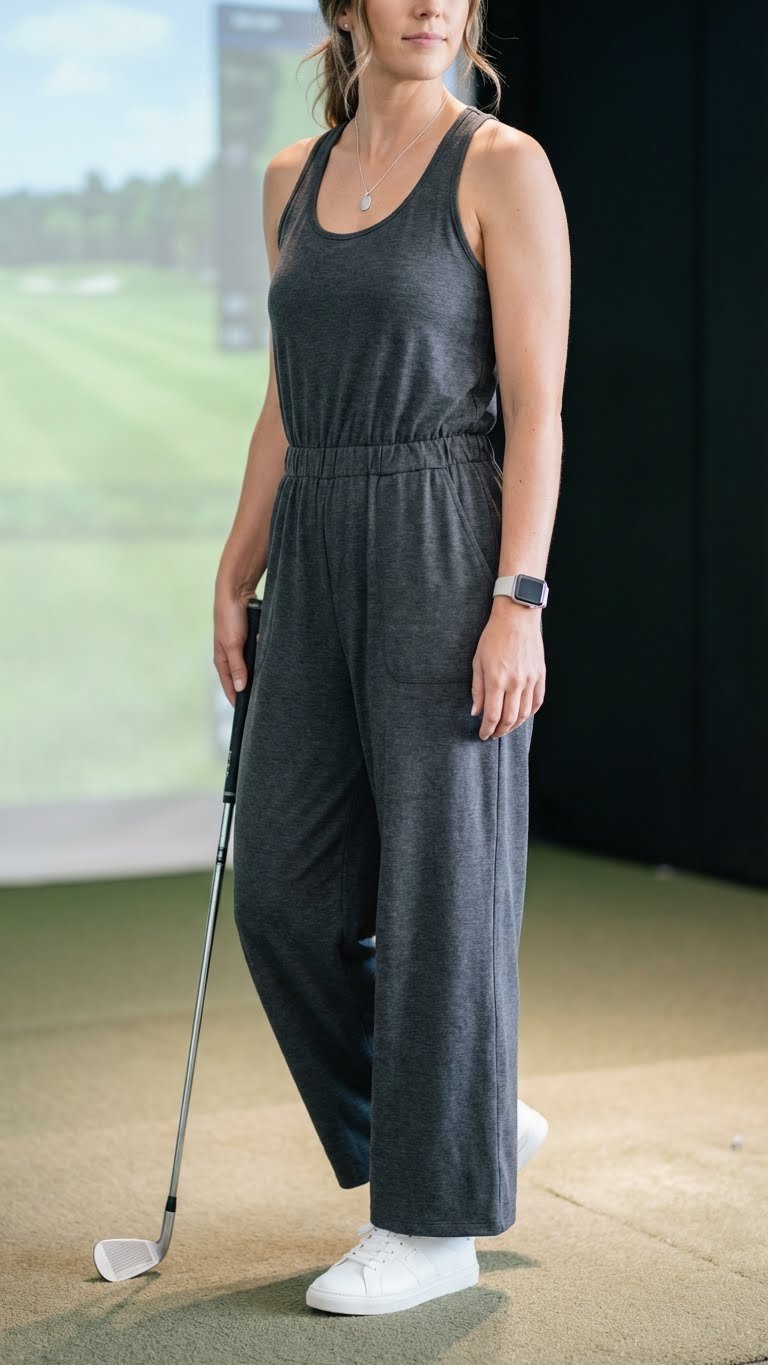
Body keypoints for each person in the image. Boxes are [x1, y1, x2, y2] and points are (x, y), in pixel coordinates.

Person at [213, 0, 570, 1317]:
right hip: (317, 537)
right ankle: (462, 1115)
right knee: (286, 903)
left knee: (439, 895)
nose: (431, 5)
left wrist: (518, 597)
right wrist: (237, 558)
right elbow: (284, 396)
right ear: (345, 6)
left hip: (446, 534)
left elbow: (535, 404)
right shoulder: (286, 183)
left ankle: (432, 1218)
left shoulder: (502, 167)